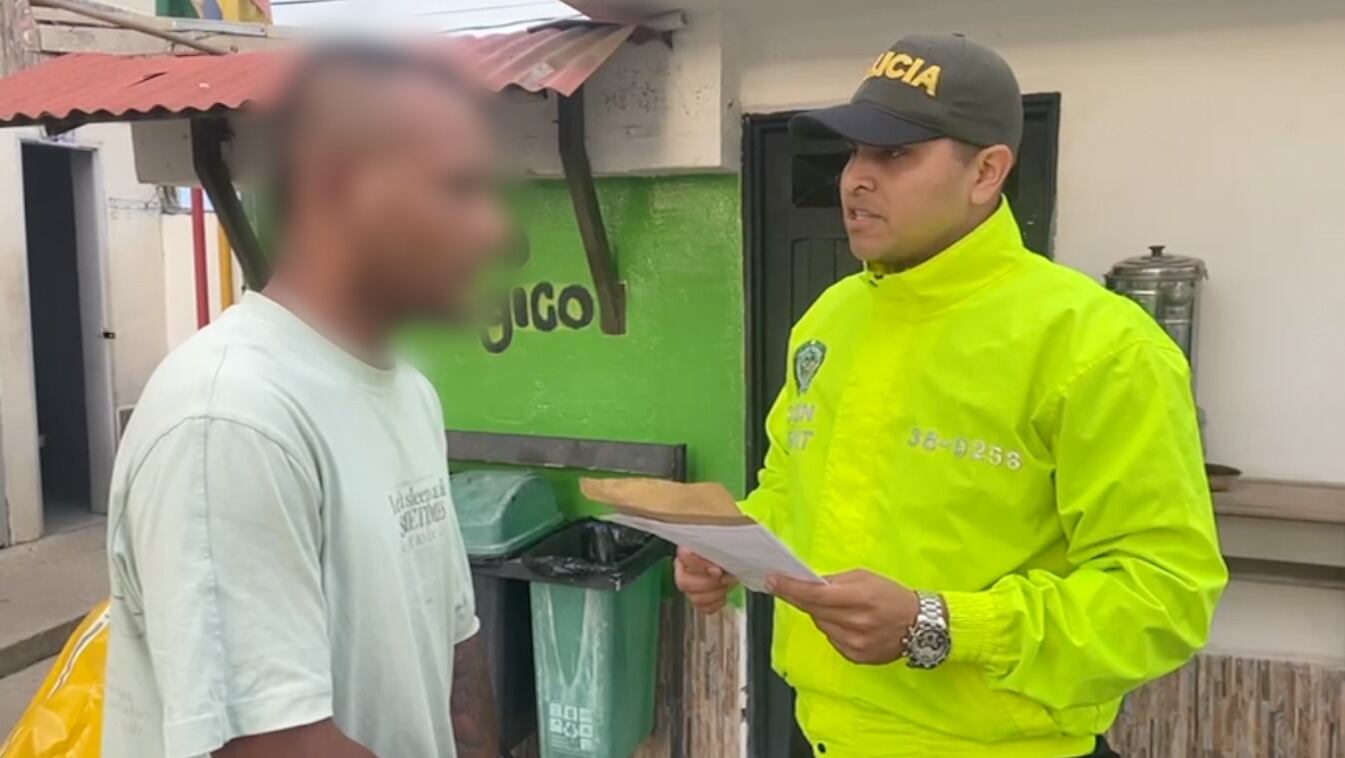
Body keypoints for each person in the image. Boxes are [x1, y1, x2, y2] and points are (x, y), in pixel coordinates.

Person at [675, 33, 1227, 758]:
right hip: (828, 734)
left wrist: (937, 623)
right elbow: (795, 487)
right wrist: (735, 548)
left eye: (895, 154)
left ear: (986, 172)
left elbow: (1164, 599)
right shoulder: (831, 320)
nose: (855, 180)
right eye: (853, 153)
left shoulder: (1096, 344)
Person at [102, 45, 507, 758]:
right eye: (456, 190)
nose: (494, 230)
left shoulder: (408, 392)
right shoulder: (230, 416)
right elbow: (273, 745)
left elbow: (455, 647)